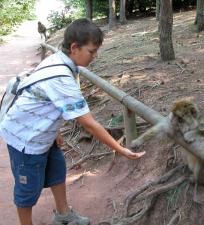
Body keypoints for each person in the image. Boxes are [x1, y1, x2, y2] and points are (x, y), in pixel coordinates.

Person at [0, 18, 145, 225]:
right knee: (28, 189)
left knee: (57, 170)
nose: (95, 56)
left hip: (43, 133)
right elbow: (88, 123)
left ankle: (63, 214)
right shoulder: (61, 76)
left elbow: (46, 100)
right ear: (74, 47)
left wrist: (55, 132)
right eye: (92, 51)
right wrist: (120, 149)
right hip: (25, 139)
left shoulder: (59, 60)